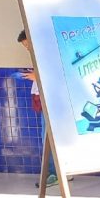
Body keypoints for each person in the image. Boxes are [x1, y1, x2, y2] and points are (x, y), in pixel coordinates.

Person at [18, 30, 60, 188]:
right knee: (51, 138)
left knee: (48, 139)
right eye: (25, 46)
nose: (27, 48)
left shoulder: (48, 54)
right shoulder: (43, 55)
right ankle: (59, 172)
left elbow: (54, 75)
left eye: (28, 44)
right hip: (46, 101)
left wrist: (37, 76)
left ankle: (53, 174)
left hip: (52, 102)